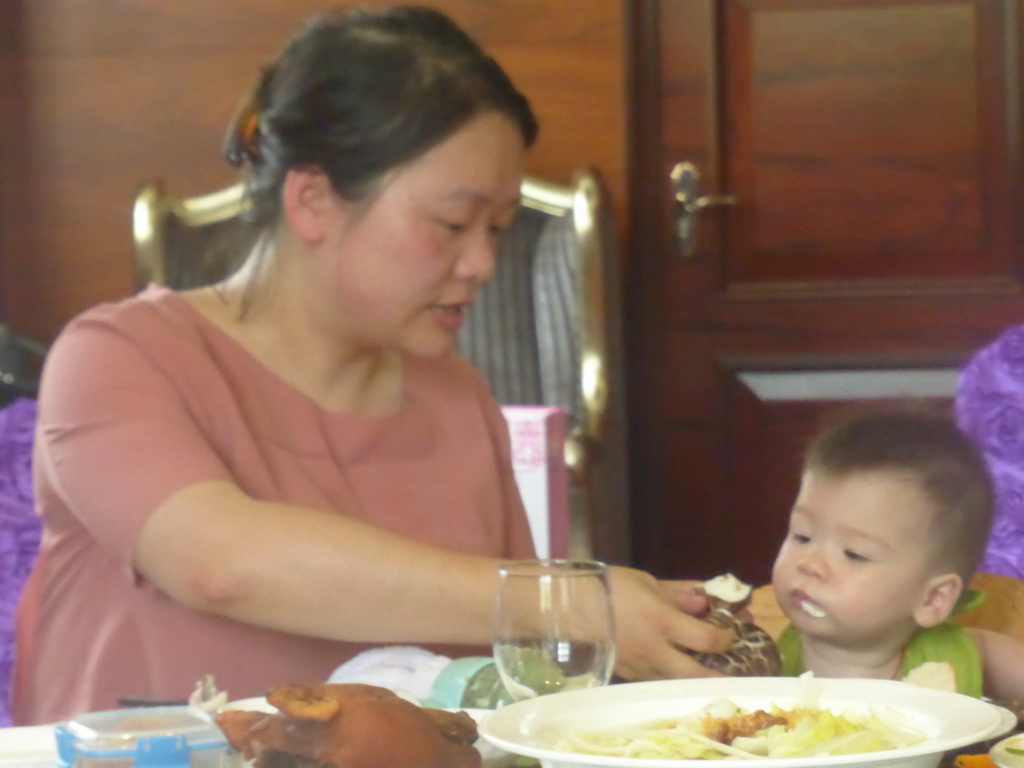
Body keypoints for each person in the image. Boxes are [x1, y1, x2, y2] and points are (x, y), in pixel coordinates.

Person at [12, 5, 735, 725]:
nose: (482, 262)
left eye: (499, 230)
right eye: (452, 224)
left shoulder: (455, 396)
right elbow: (217, 563)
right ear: (314, 199)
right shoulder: (117, 356)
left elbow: (504, 676)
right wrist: (565, 602)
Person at [771, 406, 1024, 699]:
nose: (810, 564)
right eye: (802, 536)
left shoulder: (969, 656)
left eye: (854, 554)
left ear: (933, 598)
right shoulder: (764, 662)